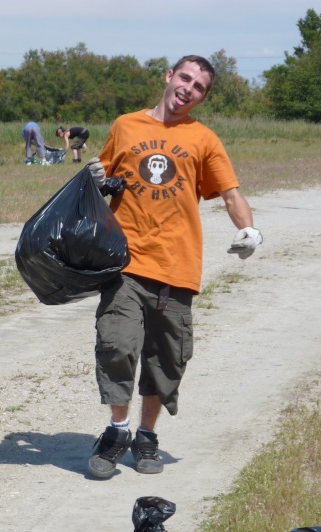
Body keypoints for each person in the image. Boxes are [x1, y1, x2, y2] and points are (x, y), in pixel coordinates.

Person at [85, 55, 263, 479]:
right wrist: (91, 176)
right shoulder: (126, 125)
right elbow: (101, 177)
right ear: (169, 76)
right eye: (184, 78)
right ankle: (117, 431)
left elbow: (231, 193)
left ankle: (146, 436)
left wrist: (250, 230)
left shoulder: (204, 139)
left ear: (202, 97)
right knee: (118, 346)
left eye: (199, 86)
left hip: (177, 268)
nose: (188, 88)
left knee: (165, 360)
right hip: (125, 262)